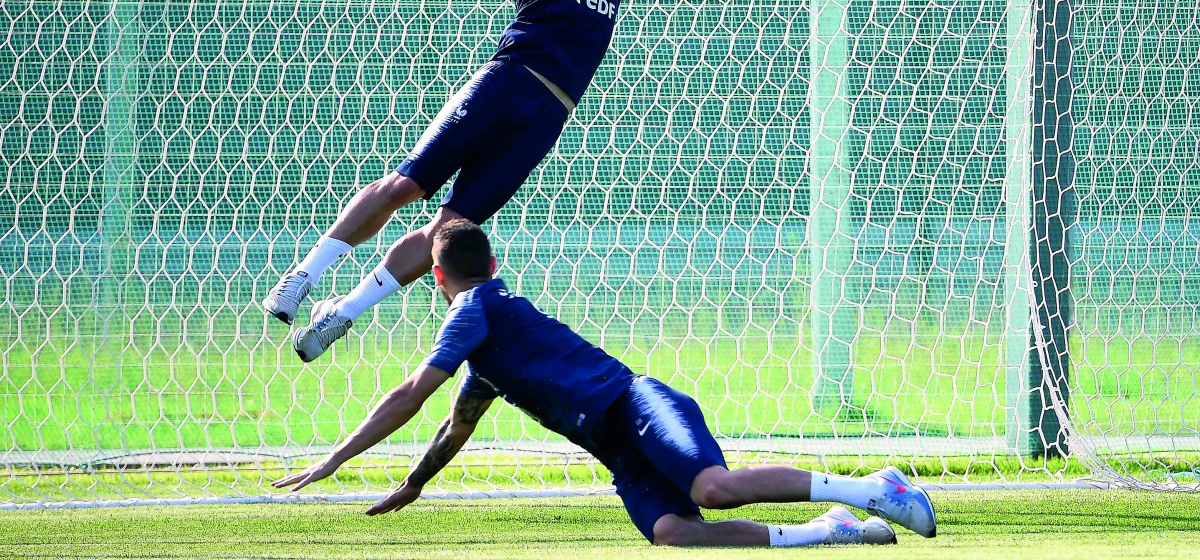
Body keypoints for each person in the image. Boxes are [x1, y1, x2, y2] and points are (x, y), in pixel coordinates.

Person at [263, 0, 765, 363]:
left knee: (449, 230)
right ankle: (302, 279)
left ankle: (343, 313)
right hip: (508, 80)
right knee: (407, 184)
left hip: (549, 113)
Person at [272, 219, 937, 547]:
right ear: (492, 261)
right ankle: (831, 528)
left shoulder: (472, 312)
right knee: (674, 532)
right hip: (619, 448)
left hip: (639, 404)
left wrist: (334, 459)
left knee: (714, 488)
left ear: (437, 279)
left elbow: (411, 393)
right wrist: (415, 482)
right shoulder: (486, 346)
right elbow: (454, 423)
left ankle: (877, 487)